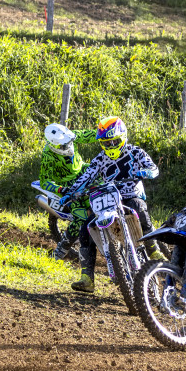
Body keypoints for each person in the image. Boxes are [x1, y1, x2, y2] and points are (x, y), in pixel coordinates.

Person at [61, 116, 164, 294]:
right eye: (106, 143)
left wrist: (146, 172)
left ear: (123, 137)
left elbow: (154, 168)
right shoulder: (100, 159)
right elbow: (85, 177)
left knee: (139, 208)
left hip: (131, 194)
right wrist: (71, 192)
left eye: (113, 142)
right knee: (86, 227)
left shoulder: (135, 152)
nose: (110, 147)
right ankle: (87, 278)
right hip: (108, 199)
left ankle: (153, 248)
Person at [39, 123, 98, 260]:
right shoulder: (48, 155)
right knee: (80, 217)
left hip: (84, 171)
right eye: (64, 145)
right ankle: (61, 250)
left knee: (106, 178)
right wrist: (60, 189)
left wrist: (106, 133)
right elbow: (44, 181)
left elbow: (90, 135)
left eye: (69, 142)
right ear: (54, 145)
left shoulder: (71, 136)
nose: (69, 146)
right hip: (67, 184)